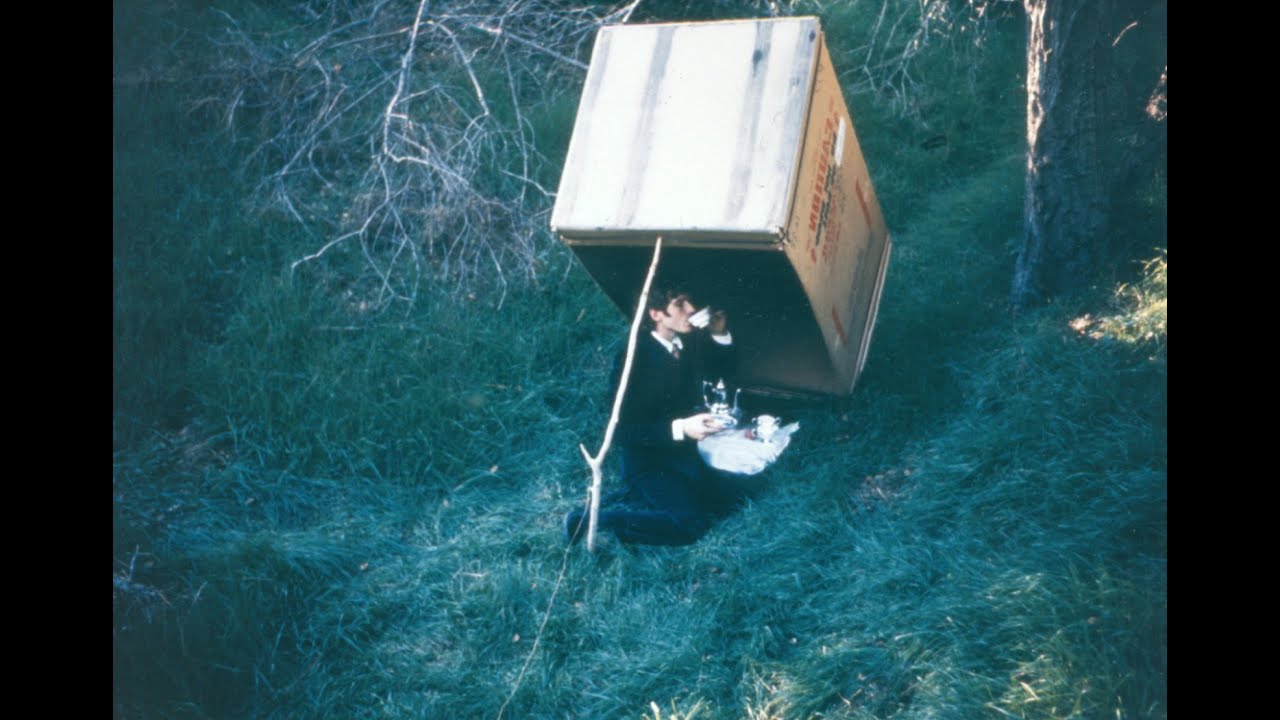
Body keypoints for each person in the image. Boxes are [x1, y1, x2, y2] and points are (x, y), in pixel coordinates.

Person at [564, 285, 747, 546]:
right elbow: (623, 432)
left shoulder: (686, 341)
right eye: (681, 304)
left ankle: (635, 497)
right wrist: (682, 427)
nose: (692, 310)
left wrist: (719, 334)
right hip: (648, 462)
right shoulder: (633, 358)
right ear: (656, 314)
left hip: (682, 453)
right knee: (690, 525)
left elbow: (721, 372)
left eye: (690, 302)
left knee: (732, 500)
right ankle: (587, 519)